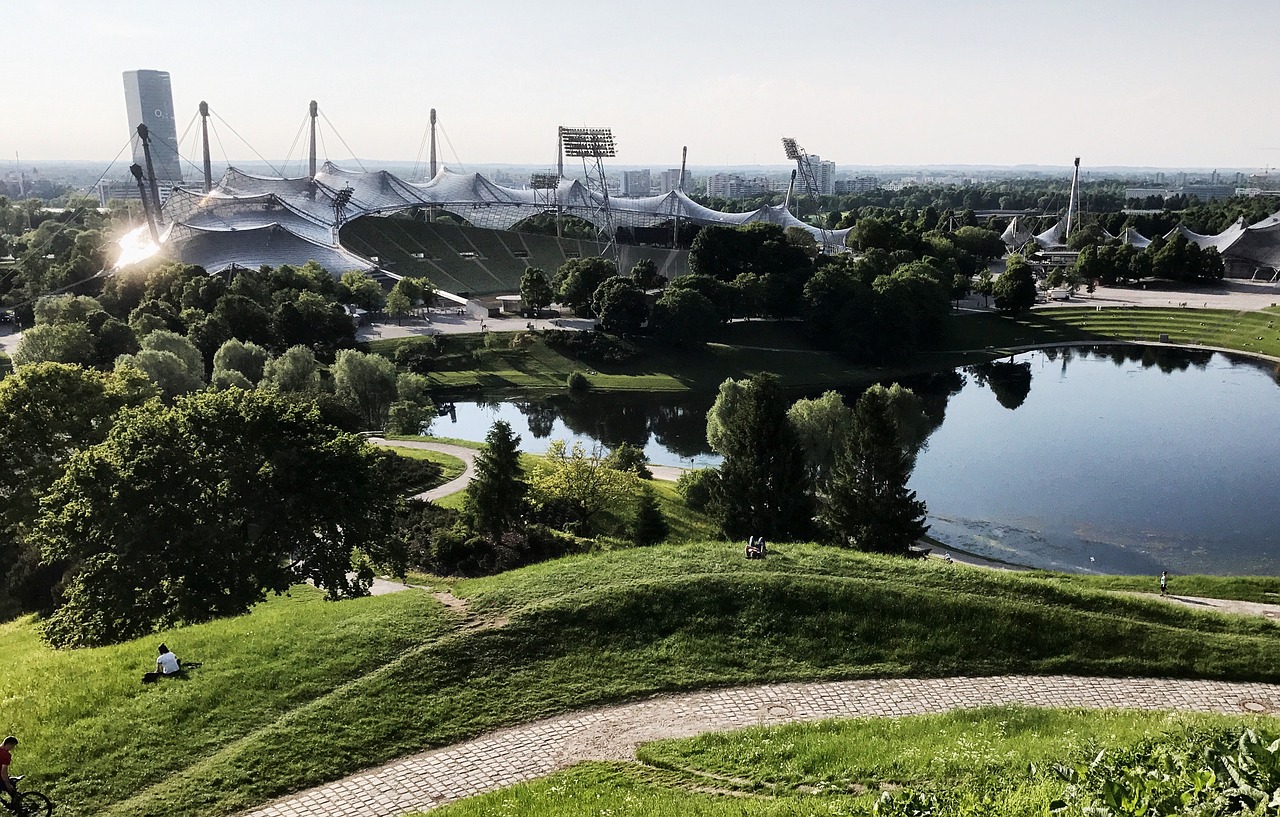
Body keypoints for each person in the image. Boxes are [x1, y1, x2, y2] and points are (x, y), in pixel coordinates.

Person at [0, 736, 17, 803]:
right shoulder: (6, 755)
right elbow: (3, 771)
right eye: (12, 747)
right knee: (11, 790)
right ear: (7, 744)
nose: (11, 749)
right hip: (1, 778)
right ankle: (18, 807)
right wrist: (7, 784)